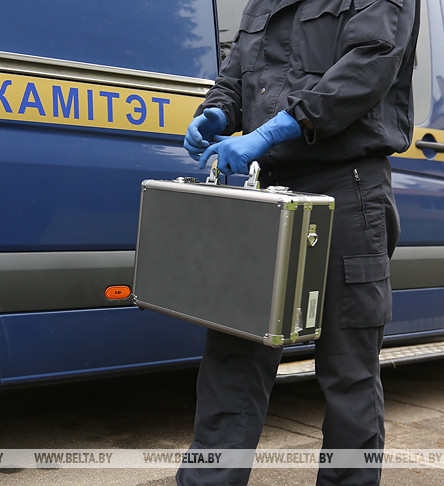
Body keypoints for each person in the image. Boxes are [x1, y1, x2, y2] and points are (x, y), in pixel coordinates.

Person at [176, 0, 420, 485]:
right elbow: (237, 74)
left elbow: (368, 65)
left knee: (348, 369)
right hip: (268, 192)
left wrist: (270, 132)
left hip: (346, 188)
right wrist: (217, 112)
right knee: (233, 358)